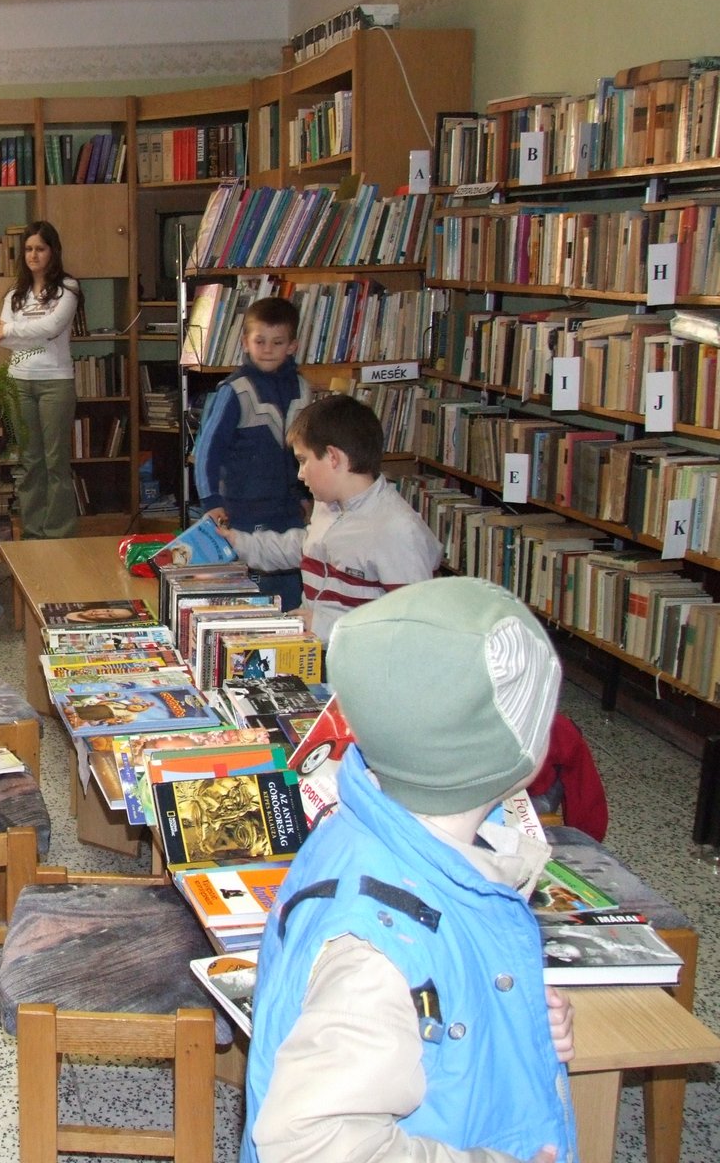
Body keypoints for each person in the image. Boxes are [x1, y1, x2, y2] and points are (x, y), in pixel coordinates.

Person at [242, 577, 578, 1163]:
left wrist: (516, 1021)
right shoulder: (378, 950)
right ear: (508, 743)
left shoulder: (375, 824)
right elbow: (310, 1145)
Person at [216, 394, 443, 642]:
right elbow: (303, 547)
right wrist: (237, 544)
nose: (300, 474)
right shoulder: (329, 506)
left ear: (333, 457)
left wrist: (325, 627)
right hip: (315, 649)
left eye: (303, 461)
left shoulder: (397, 530)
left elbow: (414, 627)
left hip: (356, 660)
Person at [195, 296, 313, 611]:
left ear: (292, 346)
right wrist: (211, 501)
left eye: (278, 342)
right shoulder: (234, 391)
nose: (268, 349)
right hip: (243, 509)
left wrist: (306, 494)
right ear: (245, 342)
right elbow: (207, 451)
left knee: (292, 584)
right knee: (252, 589)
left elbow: (308, 452)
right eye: (260, 341)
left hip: (288, 510)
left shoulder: (303, 389)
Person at [0, 220, 83, 539]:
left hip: (55, 383)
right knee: (30, 462)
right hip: (19, 383)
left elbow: (52, 328)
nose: (33, 255)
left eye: (40, 249)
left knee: (55, 462)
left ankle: (58, 534)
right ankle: (32, 533)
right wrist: (21, 333)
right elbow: (2, 340)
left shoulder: (67, 289)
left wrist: (12, 330)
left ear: (53, 252)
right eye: (29, 249)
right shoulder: (14, 294)